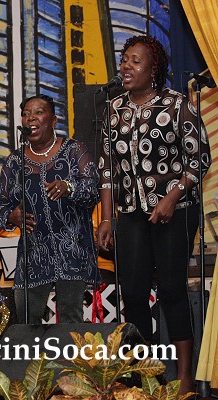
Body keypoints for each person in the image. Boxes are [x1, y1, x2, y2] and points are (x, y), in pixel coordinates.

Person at [97, 35, 211, 395]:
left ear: (153, 69)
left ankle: (185, 377)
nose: (126, 66)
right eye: (124, 59)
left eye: (136, 61)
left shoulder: (177, 105)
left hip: (176, 212)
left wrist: (172, 196)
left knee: (173, 290)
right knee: (132, 293)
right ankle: (144, 375)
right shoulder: (113, 109)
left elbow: (199, 160)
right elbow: (107, 168)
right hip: (132, 213)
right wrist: (106, 218)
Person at [0, 94, 100, 324]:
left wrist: (69, 187)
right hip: (33, 253)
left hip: (72, 249)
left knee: (71, 318)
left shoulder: (74, 150)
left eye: (38, 112)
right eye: (25, 114)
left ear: (53, 121)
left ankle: (69, 351)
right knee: (25, 318)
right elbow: (0, 205)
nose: (30, 117)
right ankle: (31, 351)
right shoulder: (15, 161)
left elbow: (93, 189)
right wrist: (11, 216)